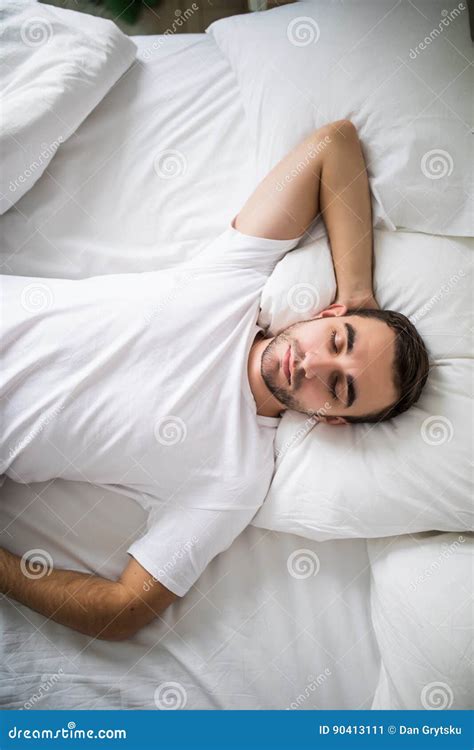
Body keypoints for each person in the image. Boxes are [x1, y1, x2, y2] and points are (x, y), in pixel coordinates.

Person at [0, 120, 429, 640]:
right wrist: (359, 292)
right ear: (326, 312)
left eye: (339, 387)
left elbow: (126, 611)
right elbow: (332, 144)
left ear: (334, 419)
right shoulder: (234, 279)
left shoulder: (236, 477)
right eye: (338, 341)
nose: (314, 366)